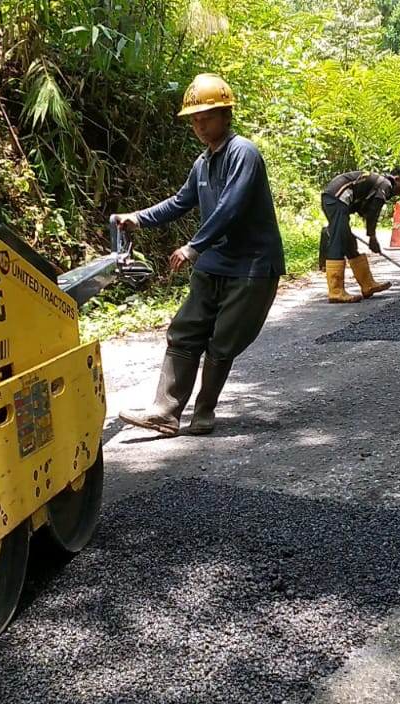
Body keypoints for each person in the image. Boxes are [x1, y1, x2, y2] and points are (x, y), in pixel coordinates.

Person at [112, 73, 285, 437]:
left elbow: (230, 207)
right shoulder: (202, 163)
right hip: (215, 264)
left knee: (222, 341)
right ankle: (164, 412)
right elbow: (180, 202)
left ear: (226, 114)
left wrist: (193, 246)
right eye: (194, 120)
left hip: (251, 266)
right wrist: (138, 219)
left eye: (206, 117)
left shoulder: (244, 153)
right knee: (185, 331)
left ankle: (203, 412)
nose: (199, 126)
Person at [319, 167, 400, 302]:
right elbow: (374, 211)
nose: (399, 193)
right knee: (338, 241)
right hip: (337, 199)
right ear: (397, 179)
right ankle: (336, 292)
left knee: (349, 243)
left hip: (336, 200)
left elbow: (365, 209)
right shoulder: (385, 184)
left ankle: (367, 285)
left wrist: (370, 233)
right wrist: (372, 237)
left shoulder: (377, 183)